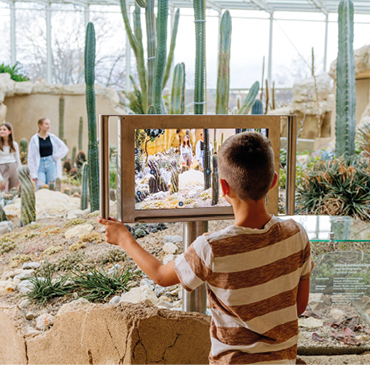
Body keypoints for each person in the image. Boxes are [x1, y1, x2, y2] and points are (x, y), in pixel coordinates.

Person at [100, 131, 311, 364]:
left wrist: (124, 239)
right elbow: (299, 306)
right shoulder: (297, 234)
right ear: (273, 181)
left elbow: (160, 276)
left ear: (223, 187)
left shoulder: (212, 248)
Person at [26, 118, 70, 189]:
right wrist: (33, 174)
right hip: (39, 166)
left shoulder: (52, 137)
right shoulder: (34, 139)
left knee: (51, 187)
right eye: (46, 124)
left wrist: (55, 156)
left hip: (51, 165)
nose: (49, 126)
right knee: (41, 187)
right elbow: (31, 157)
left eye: (49, 124)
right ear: (40, 125)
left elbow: (64, 148)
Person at [0, 122, 21, 192]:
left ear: (9, 132)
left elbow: (18, 159)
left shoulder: (14, 144)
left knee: (14, 190)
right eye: (0, 129)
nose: (1, 131)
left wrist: (20, 177)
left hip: (13, 167)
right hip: (2, 168)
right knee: (3, 191)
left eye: (4, 129)